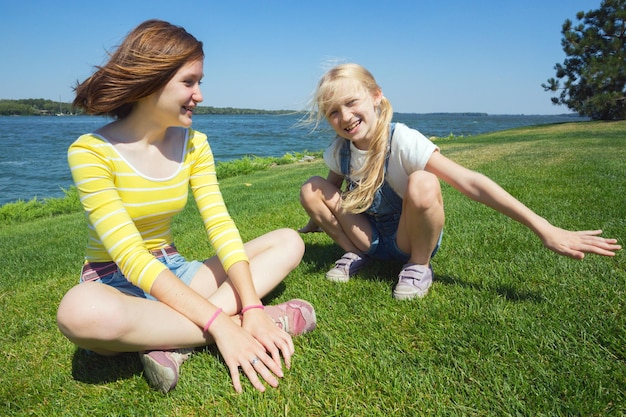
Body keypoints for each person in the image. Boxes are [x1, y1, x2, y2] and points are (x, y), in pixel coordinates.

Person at [56, 19, 316, 394]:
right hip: (114, 281)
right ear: (152, 80)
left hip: (174, 268)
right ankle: (238, 325)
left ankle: (176, 338)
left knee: (289, 241)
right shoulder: (90, 152)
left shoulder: (195, 143)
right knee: (79, 312)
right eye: (189, 82)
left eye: (200, 82)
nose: (200, 95)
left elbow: (220, 224)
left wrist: (253, 305)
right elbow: (129, 255)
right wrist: (223, 324)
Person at [299, 63, 620, 300]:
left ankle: (418, 267)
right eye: (334, 112)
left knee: (423, 183)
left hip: (408, 236)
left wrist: (544, 229)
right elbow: (331, 192)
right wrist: (317, 222)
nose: (345, 117)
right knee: (310, 188)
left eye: (351, 103)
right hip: (366, 236)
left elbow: (471, 183)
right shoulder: (339, 150)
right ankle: (356, 254)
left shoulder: (403, 140)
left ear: (376, 96)